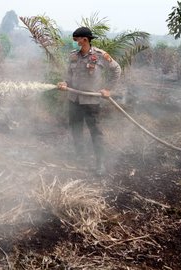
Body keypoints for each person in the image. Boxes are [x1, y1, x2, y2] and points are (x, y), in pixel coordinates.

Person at [57, 26, 121, 176]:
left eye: (76, 40)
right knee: (76, 129)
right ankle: (80, 158)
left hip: (91, 101)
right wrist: (65, 83)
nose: (74, 42)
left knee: (95, 133)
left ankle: (100, 164)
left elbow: (117, 69)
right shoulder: (73, 55)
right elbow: (69, 75)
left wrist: (108, 89)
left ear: (84, 39)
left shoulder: (100, 56)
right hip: (74, 99)